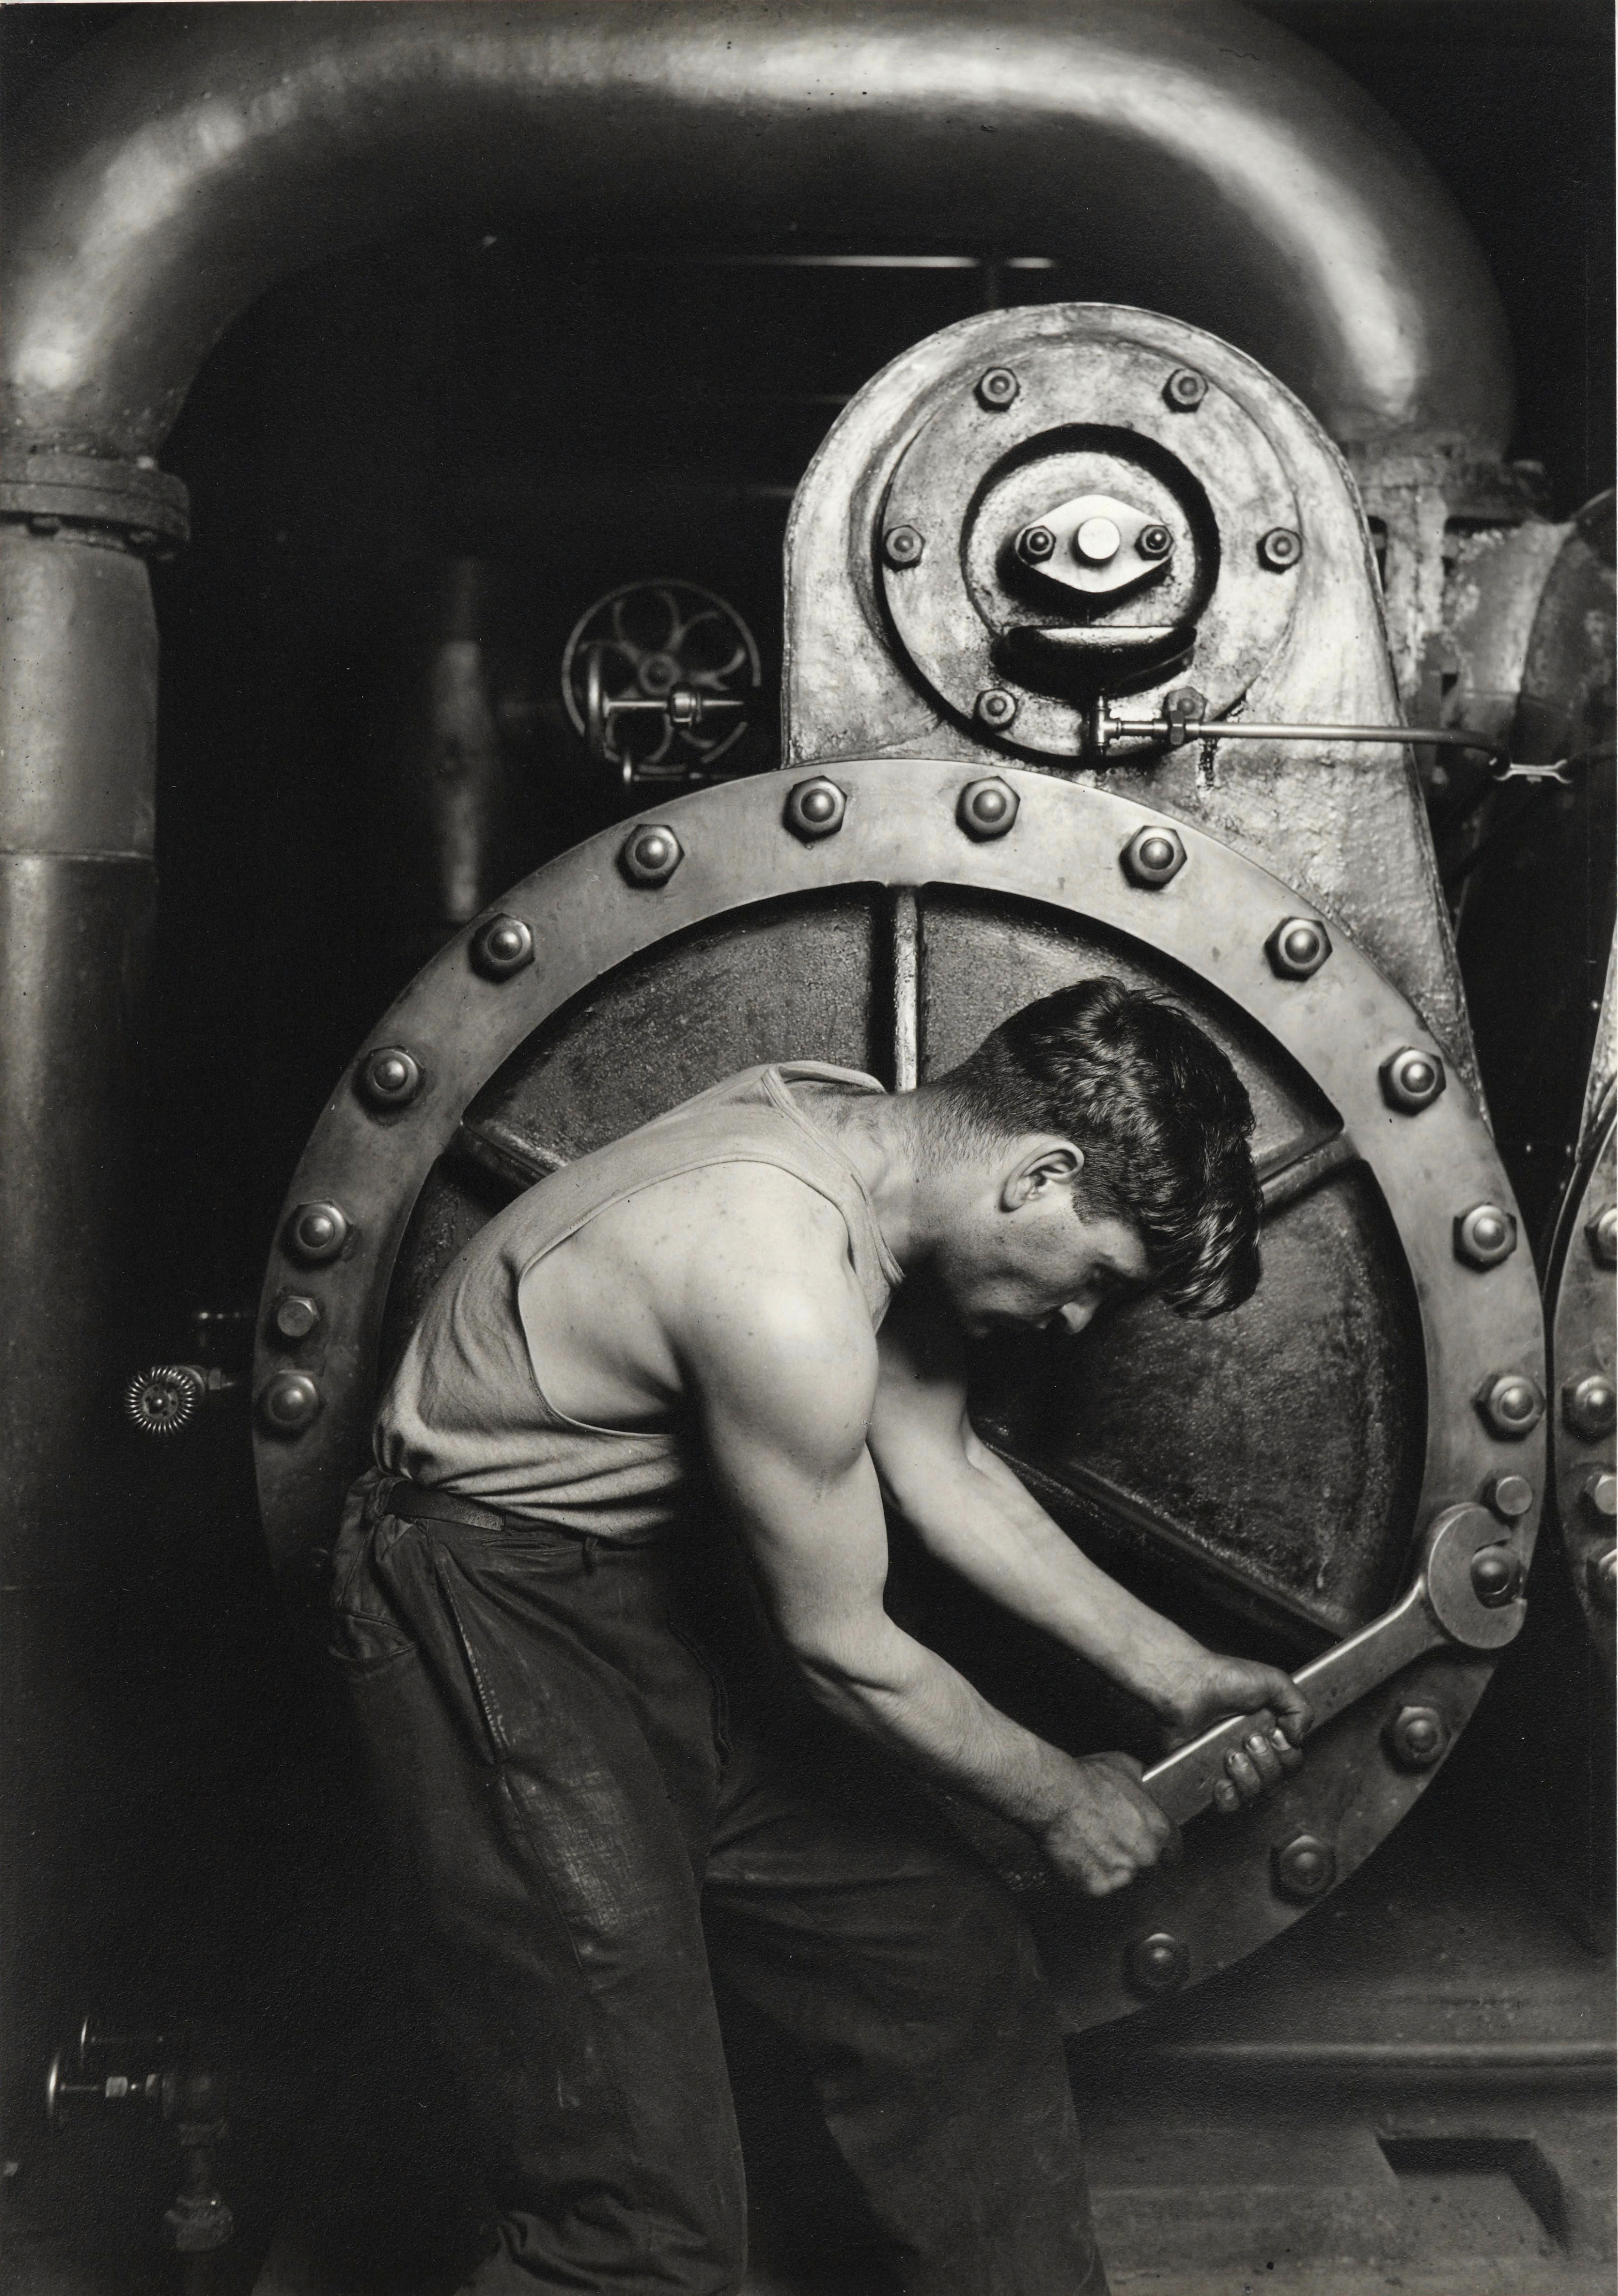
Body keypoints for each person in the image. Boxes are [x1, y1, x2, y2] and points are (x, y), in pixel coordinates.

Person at [330, 974, 1311, 2296]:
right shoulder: (771, 1272)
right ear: (1038, 1174)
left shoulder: (857, 1142)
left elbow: (937, 1454)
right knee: (642, 2225)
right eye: (1093, 1279)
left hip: (647, 1601)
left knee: (941, 1970)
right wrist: (1056, 1797)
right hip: (489, 1617)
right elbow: (843, 1650)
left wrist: (1172, 1670)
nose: (1073, 1324)